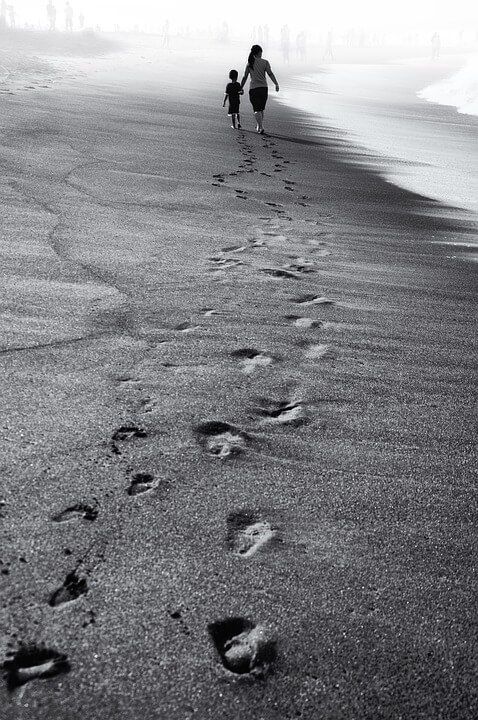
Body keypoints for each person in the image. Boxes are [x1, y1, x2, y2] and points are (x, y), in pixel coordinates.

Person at [240, 44, 279, 134]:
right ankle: (259, 126)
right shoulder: (265, 62)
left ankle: (260, 126)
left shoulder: (250, 63)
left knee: (256, 109)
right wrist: (276, 84)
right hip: (263, 89)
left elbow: (245, 77)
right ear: (259, 52)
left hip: (253, 89)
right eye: (261, 52)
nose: (262, 54)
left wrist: (241, 88)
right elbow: (270, 74)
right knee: (261, 109)